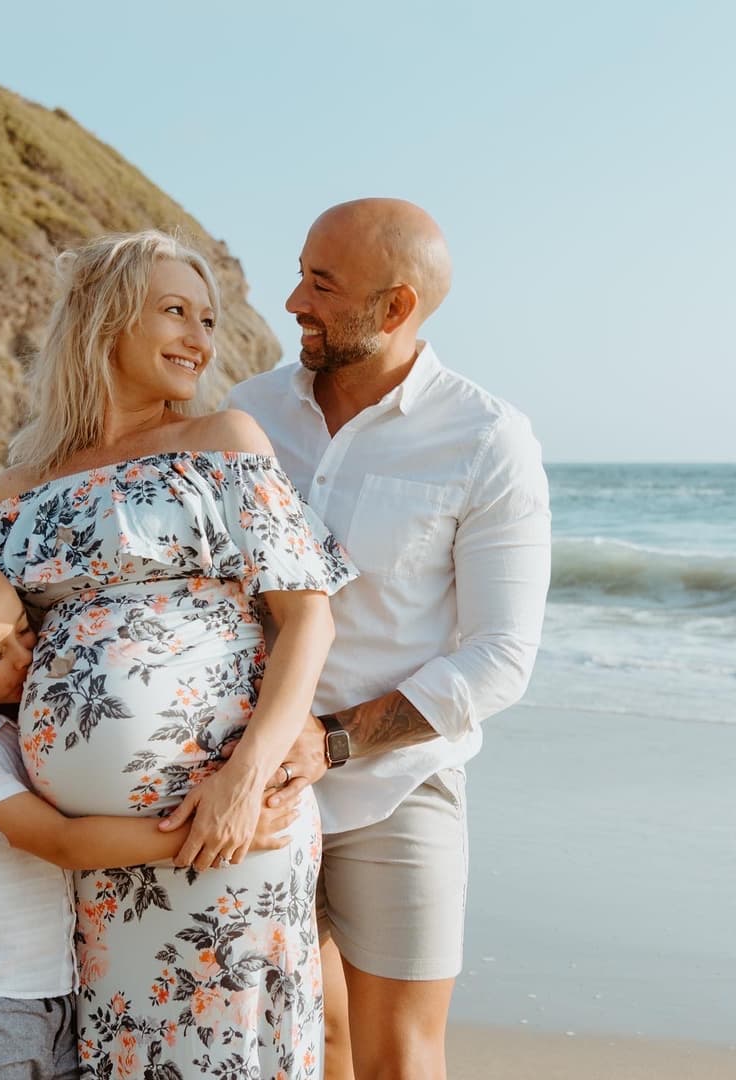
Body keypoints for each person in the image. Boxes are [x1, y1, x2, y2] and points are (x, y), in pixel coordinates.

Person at [0, 231, 357, 1079]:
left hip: (229, 829)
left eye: (207, 319)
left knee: (226, 1055)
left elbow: (308, 616)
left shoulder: (222, 438)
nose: (200, 339)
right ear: (103, 319)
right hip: (98, 862)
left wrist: (244, 782)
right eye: (174, 311)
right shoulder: (21, 487)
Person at [228, 197, 552, 1080]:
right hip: (242, 775)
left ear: (397, 308)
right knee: (302, 1041)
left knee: (398, 1056)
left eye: (321, 284)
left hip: (395, 783)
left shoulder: (487, 439)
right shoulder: (245, 415)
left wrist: (330, 741)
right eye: (299, 272)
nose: (294, 300)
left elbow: (500, 657)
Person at [0, 543, 304, 1080]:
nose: (24, 658)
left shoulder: (0, 725)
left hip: (48, 996)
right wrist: (209, 835)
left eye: (25, 630)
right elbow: (60, 842)